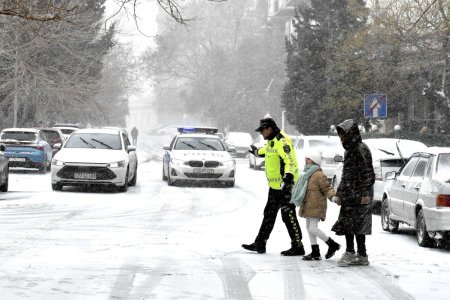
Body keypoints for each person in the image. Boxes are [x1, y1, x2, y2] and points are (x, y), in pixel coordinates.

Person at [242, 117, 305, 256]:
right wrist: (257, 152)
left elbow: (290, 161)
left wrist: (288, 178)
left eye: (262, 131)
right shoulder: (271, 141)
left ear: (269, 129)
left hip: (285, 187)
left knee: (288, 215)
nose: (261, 134)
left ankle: (298, 245)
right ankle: (260, 243)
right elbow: (268, 151)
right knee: (269, 215)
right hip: (275, 187)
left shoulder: (282, 141)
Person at [331, 119, 375, 266]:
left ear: (351, 134)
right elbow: (346, 174)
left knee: (357, 225)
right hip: (350, 193)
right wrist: (340, 193)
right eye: (340, 135)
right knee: (348, 224)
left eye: (343, 134)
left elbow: (368, 173)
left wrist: (365, 194)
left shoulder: (360, 149)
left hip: (358, 194)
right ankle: (356, 253)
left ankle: (356, 253)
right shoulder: (349, 150)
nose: (341, 138)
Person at [290, 150, 341, 260]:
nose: (305, 160)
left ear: (314, 161)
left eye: (308, 158)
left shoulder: (318, 174)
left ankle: (332, 244)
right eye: (306, 158)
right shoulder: (306, 173)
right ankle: (315, 252)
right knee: (309, 228)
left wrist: (333, 197)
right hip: (308, 205)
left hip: (316, 205)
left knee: (313, 228)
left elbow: (327, 188)